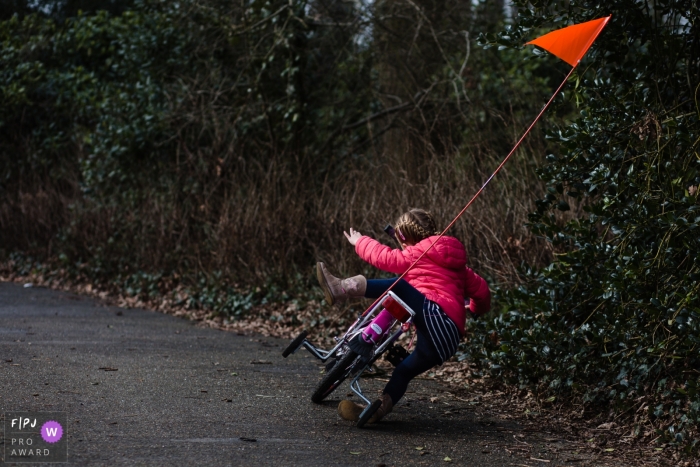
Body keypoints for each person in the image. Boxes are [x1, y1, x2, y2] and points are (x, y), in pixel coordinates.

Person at [316, 208, 491, 424]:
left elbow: (385, 257)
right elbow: (482, 291)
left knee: (399, 286)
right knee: (403, 372)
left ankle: (341, 288)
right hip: (447, 341)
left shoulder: (419, 253)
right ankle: (376, 412)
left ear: (403, 237)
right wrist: (474, 309)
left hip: (435, 317)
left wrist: (360, 241)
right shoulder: (460, 268)